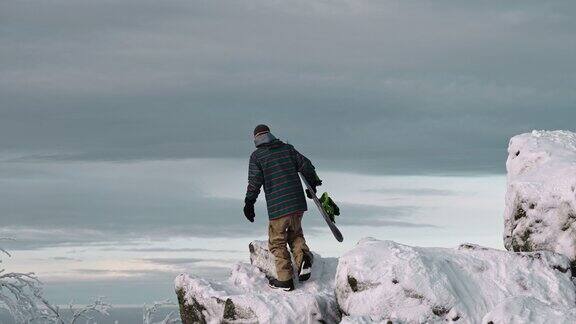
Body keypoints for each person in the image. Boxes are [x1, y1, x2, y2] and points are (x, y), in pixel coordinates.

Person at [243, 124, 322, 291]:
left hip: (278, 207)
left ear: (256, 138)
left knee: (277, 242)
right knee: (295, 234)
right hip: (297, 203)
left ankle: (285, 280)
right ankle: (303, 260)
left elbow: (254, 182)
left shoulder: (257, 157)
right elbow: (306, 165)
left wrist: (249, 202)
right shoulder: (287, 149)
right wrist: (313, 185)